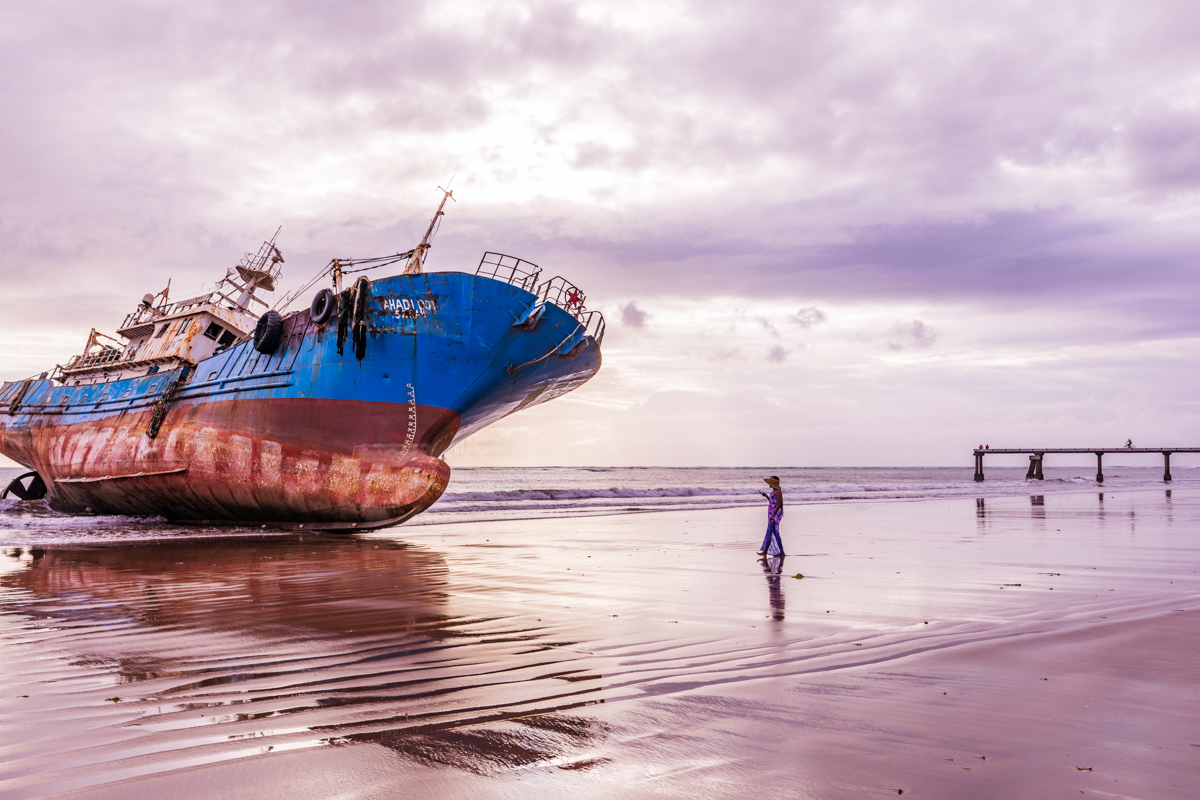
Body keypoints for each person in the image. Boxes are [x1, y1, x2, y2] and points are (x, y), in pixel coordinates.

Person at [757, 476, 785, 557]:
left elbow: (778, 504)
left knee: (770, 532)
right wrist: (766, 496)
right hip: (772, 514)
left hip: (775, 514)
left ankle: (765, 552)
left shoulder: (778, 492)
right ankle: (781, 552)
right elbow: (772, 502)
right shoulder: (774, 491)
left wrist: (773, 515)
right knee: (775, 533)